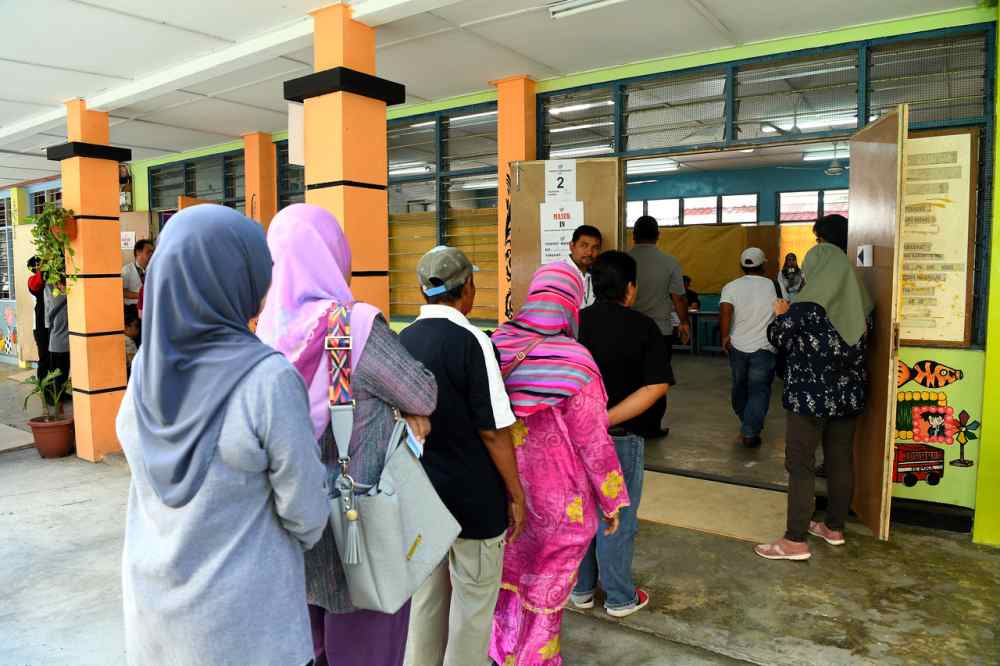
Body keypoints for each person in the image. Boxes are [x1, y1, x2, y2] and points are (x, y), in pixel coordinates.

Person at [117, 204, 330, 666]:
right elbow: (306, 512)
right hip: (248, 631)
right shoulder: (266, 379)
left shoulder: (142, 375)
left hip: (155, 622)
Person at [257, 204, 438, 666]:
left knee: (312, 640)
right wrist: (402, 410)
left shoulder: (264, 332)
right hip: (361, 522)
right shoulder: (351, 327)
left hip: (294, 517)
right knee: (367, 644)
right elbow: (422, 392)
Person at [490, 262, 630, 665]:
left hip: (503, 492)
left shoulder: (498, 343)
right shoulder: (576, 360)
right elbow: (592, 440)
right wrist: (611, 498)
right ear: (571, 302)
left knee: (505, 585)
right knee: (545, 598)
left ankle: (502, 653)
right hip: (559, 503)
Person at [400, 246, 525, 666]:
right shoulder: (474, 342)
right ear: (466, 289)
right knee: (473, 606)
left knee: (426, 601)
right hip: (473, 501)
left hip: (421, 498)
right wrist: (516, 493)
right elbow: (493, 431)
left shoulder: (403, 340)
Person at [755, 243, 873, 561]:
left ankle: (794, 541)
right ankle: (834, 528)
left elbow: (778, 338)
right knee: (840, 460)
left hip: (809, 399)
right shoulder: (862, 305)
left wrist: (780, 314)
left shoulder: (804, 307)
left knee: (801, 464)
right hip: (848, 398)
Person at [571, 251, 667, 618]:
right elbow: (656, 386)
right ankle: (619, 598)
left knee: (581, 512)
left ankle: (580, 590)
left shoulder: (574, 325)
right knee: (617, 517)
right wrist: (605, 418)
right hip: (620, 438)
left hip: (575, 438)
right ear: (630, 288)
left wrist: (588, 420)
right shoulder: (643, 327)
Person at [629, 215, 690, 433]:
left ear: (633, 236)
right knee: (657, 378)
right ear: (658, 236)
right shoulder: (670, 262)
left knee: (630, 377)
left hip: (629, 330)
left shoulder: (624, 259)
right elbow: (678, 298)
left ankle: (628, 422)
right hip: (660, 331)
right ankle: (653, 425)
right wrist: (684, 323)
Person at [720, 247, 779, 449]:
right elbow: (782, 311)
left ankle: (749, 428)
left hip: (737, 346)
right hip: (765, 347)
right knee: (759, 390)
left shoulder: (731, 286)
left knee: (739, 387)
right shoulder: (773, 285)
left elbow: (725, 313)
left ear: (742, 265)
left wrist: (725, 337)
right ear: (763, 265)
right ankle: (750, 427)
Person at [563, 224, 602, 308]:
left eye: (595, 247)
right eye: (584, 245)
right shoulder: (557, 273)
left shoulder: (599, 273)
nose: (589, 252)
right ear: (572, 246)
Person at [26, 257, 50, 388]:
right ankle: (44, 388)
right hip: (40, 327)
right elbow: (37, 281)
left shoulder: (50, 280)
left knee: (55, 359)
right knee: (44, 358)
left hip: (53, 324)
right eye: (39, 265)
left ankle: (56, 388)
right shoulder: (32, 281)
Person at [44, 281, 69, 402]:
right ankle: (57, 397)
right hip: (60, 345)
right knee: (60, 374)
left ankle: (59, 396)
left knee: (60, 374)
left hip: (57, 344)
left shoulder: (57, 299)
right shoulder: (61, 298)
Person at [122, 239, 153, 308]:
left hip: (149, 307)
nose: (151, 255)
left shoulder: (153, 270)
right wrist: (142, 295)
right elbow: (123, 292)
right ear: (138, 252)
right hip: (132, 309)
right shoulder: (127, 270)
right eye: (148, 252)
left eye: (152, 252)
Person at [124, 309, 140, 378]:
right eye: (136, 326)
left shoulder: (127, 340)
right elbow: (132, 361)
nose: (138, 329)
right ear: (126, 328)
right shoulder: (128, 341)